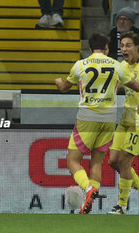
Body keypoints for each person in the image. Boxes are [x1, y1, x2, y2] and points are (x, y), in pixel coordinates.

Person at [55, 32, 139, 214]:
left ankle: (89, 189)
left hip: (87, 117)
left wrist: (58, 82)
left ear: (89, 48)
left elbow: (64, 87)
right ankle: (89, 202)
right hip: (109, 119)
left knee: (72, 161)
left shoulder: (80, 65)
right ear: (107, 48)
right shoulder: (117, 65)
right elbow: (135, 86)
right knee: (98, 163)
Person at [108, 32, 139, 215]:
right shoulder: (122, 66)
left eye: (128, 45)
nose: (124, 49)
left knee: (124, 161)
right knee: (113, 162)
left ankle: (121, 206)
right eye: (122, 46)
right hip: (125, 119)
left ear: (137, 47)